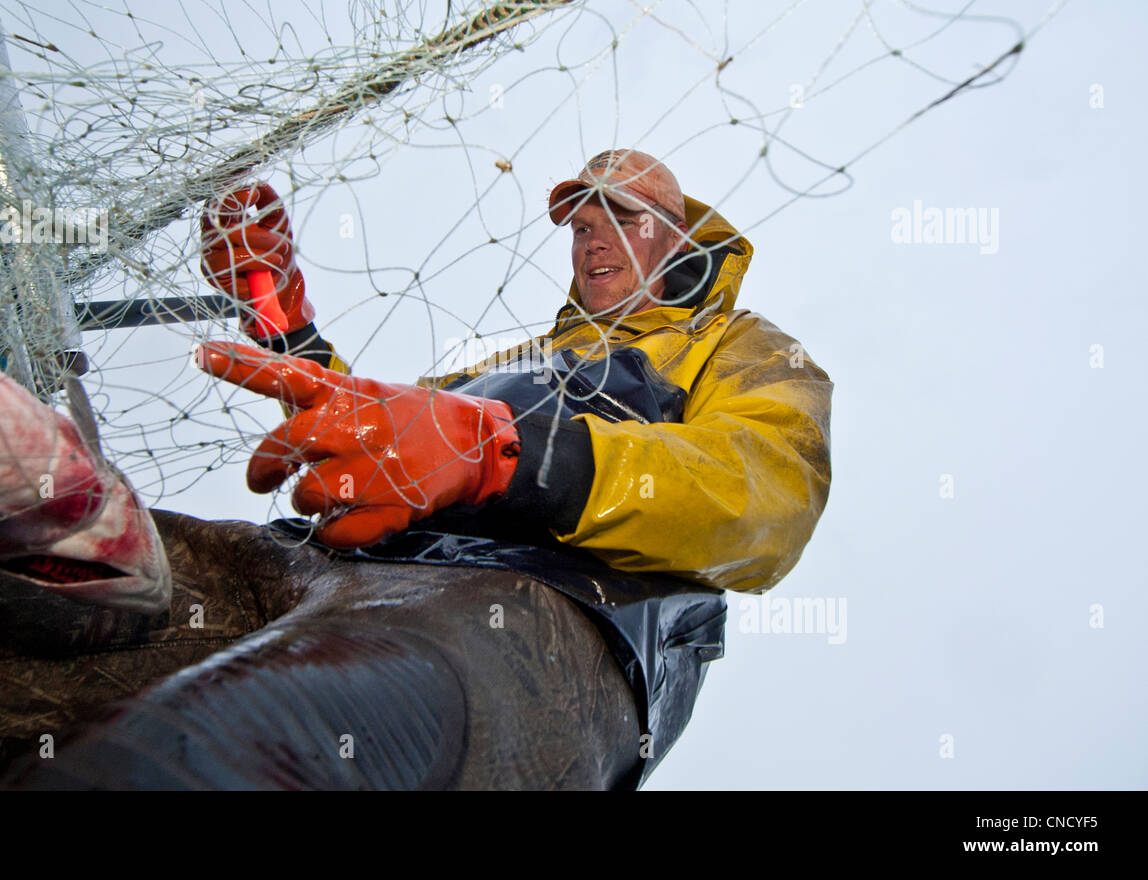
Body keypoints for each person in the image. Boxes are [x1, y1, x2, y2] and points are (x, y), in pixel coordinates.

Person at [195, 148, 835, 781]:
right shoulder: (510, 364)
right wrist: (278, 314)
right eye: (582, 226)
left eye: (622, 219)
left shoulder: (740, 345)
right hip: (337, 565)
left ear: (672, 239)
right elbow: (373, 427)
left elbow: (766, 497)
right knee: (135, 591)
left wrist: (507, 457)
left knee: (236, 738)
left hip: (557, 616)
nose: (593, 242)